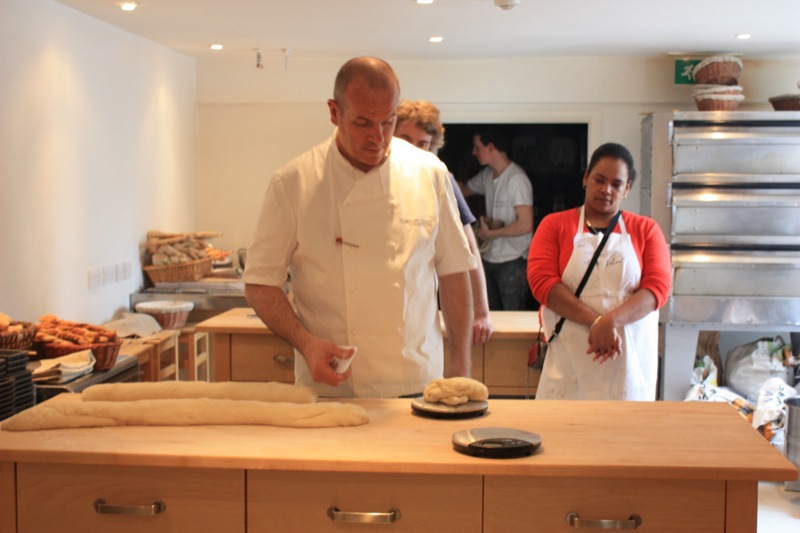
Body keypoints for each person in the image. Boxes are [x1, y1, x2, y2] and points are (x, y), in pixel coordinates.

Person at [243, 57, 476, 398]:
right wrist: (306, 343)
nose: (378, 138)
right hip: (332, 383)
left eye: (388, 121)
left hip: (418, 380)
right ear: (334, 112)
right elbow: (260, 283)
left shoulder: (430, 173)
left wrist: (461, 363)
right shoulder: (294, 182)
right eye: (363, 123)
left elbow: (454, 273)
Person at [527, 142, 672, 400]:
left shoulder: (646, 229)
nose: (606, 190)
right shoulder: (554, 225)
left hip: (629, 364)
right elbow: (542, 283)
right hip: (570, 360)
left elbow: (657, 288)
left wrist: (611, 322)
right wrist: (596, 323)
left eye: (616, 184)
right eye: (599, 180)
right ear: (585, 178)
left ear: (627, 188)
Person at [393, 99, 493, 346]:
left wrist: (481, 312)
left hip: (424, 304)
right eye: (405, 140)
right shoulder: (373, 178)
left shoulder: (441, 178)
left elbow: (469, 248)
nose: (414, 150)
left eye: (423, 144)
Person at [459, 128, 534, 310]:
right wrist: (443, 175)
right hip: (490, 258)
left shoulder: (516, 179)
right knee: (489, 314)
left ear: (491, 147)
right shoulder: (487, 175)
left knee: (513, 317)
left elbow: (526, 225)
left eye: (477, 147)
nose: (474, 152)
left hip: (513, 261)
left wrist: (490, 234)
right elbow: (463, 190)